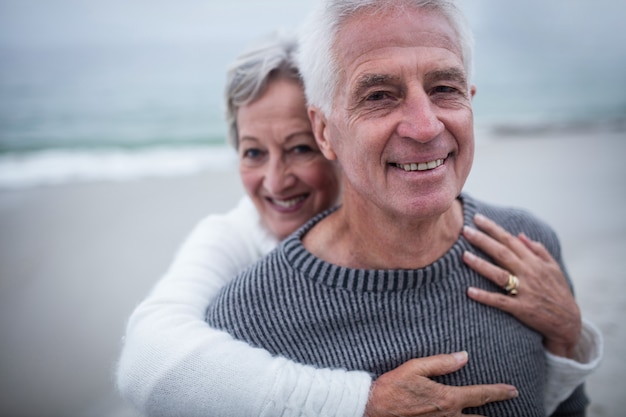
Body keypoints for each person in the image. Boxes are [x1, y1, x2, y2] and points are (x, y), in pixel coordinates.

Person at [117, 29, 601, 417]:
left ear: (333, 138)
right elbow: (149, 363)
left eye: (300, 147)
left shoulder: (513, 239)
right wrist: (360, 402)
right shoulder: (237, 249)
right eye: (252, 152)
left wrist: (570, 337)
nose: (275, 181)